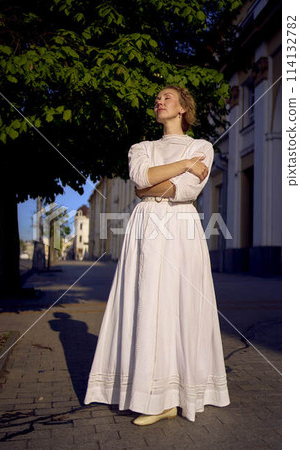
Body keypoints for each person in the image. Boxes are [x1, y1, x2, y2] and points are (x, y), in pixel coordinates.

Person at [84, 85, 230, 425]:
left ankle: (178, 393)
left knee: (180, 306)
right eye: (157, 99)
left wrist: (158, 182)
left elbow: (186, 190)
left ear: (182, 108)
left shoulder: (202, 147)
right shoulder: (142, 147)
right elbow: (140, 180)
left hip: (181, 230)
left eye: (166, 98)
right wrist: (182, 165)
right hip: (146, 227)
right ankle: (154, 397)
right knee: (147, 303)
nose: (158, 101)